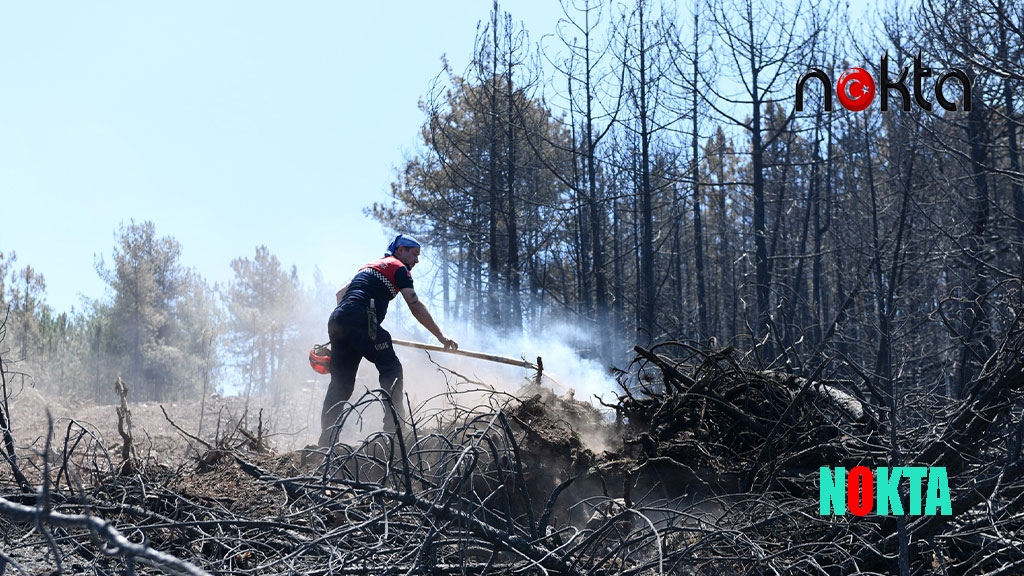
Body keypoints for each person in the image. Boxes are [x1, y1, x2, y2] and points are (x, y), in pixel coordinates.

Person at [319, 234, 457, 446]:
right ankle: (394, 430)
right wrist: (441, 336)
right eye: (414, 254)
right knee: (391, 368)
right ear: (400, 250)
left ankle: (326, 443)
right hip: (360, 319)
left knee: (341, 384)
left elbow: (340, 295)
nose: (416, 260)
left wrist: (347, 332)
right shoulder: (398, 266)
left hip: (338, 320)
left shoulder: (369, 267)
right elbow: (415, 305)